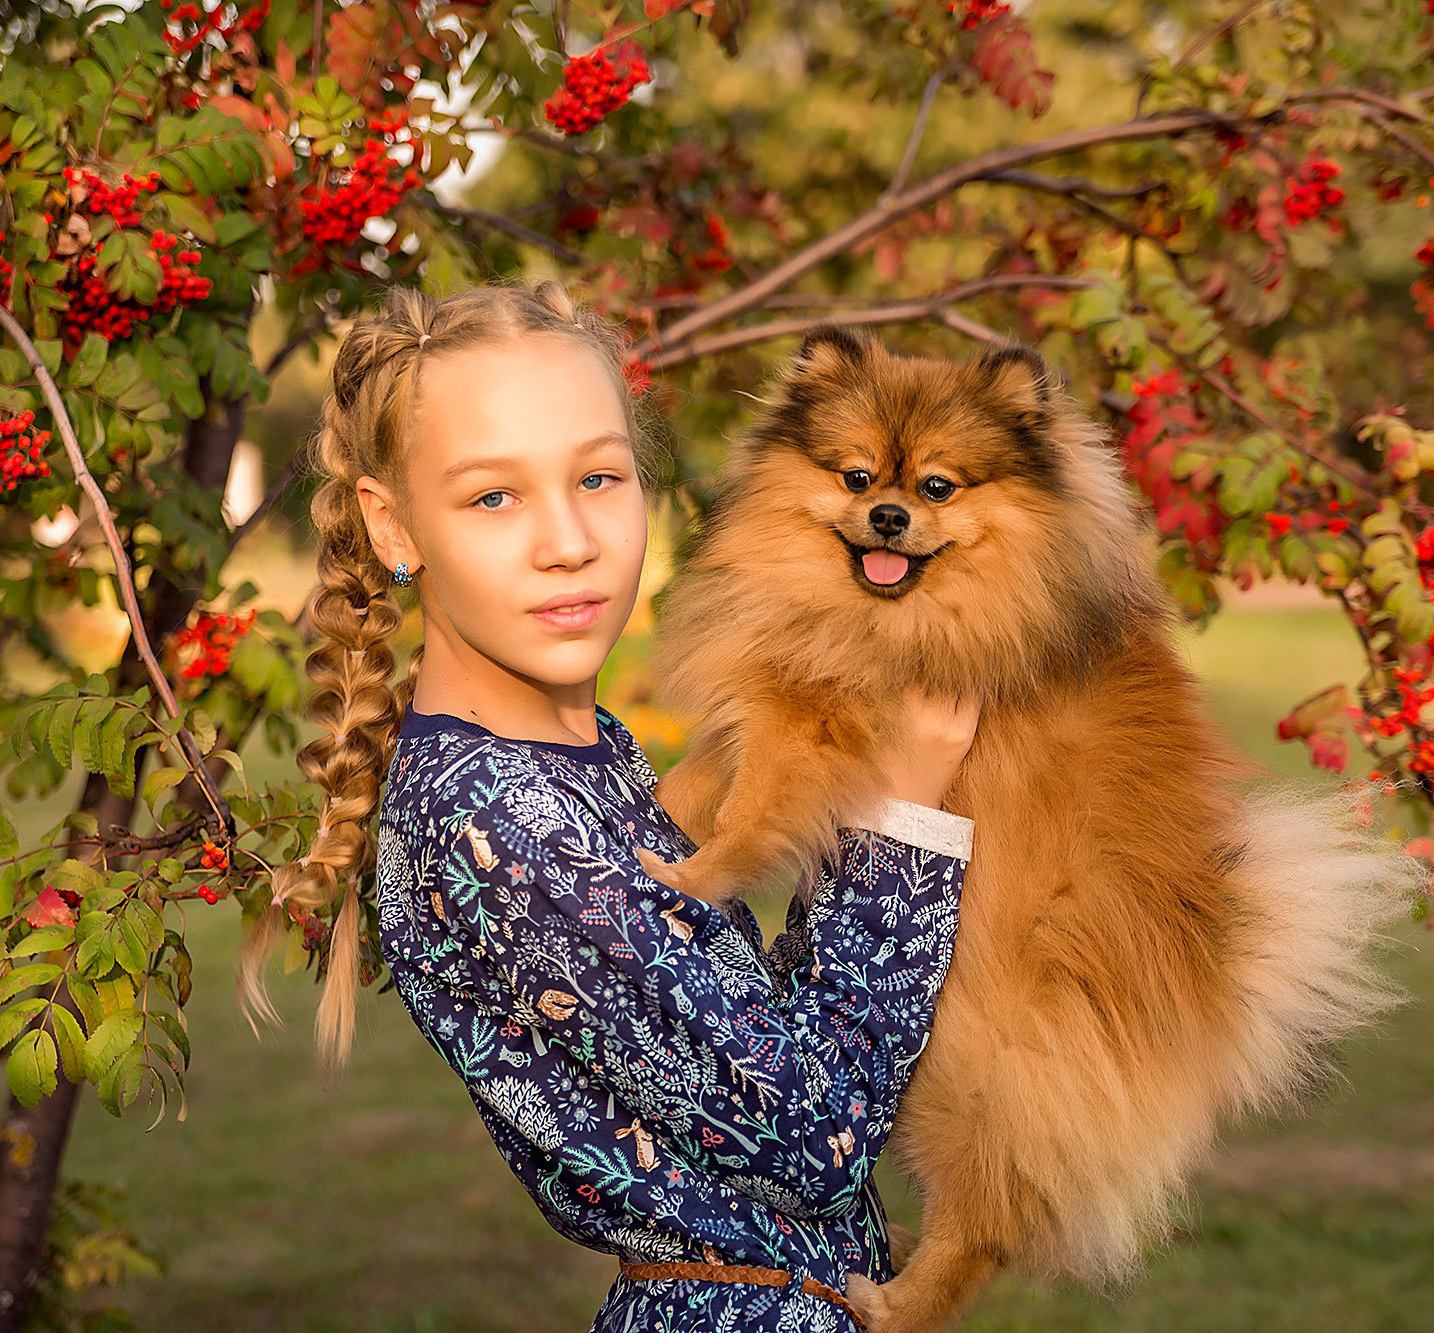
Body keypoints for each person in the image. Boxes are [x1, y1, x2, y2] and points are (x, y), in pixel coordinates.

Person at [240, 279, 980, 1331]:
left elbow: (747, 1046)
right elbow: (814, 1137)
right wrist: (900, 817)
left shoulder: (578, 757)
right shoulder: (497, 821)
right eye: (494, 497)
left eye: (598, 477)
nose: (568, 542)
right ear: (392, 524)